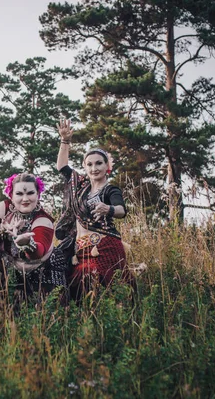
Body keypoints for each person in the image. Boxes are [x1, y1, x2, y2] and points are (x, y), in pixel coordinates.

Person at [55, 119, 131, 301]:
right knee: (73, 287)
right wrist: (65, 141)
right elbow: (62, 167)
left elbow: (121, 210)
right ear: (85, 167)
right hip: (80, 249)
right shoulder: (81, 186)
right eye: (89, 164)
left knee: (101, 286)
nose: (94, 168)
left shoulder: (111, 189)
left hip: (104, 246)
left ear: (107, 167)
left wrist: (109, 209)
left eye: (98, 164)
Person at [0, 173, 68, 299]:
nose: (25, 199)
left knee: (44, 310)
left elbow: (38, 252)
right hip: (11, 269)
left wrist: (27, 244)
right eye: (19, 194)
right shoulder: (4, 208)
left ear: (38, 195)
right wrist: (2, 229)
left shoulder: (43, 220)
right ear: (11, 196)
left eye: (30, 193)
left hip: (43, 270)